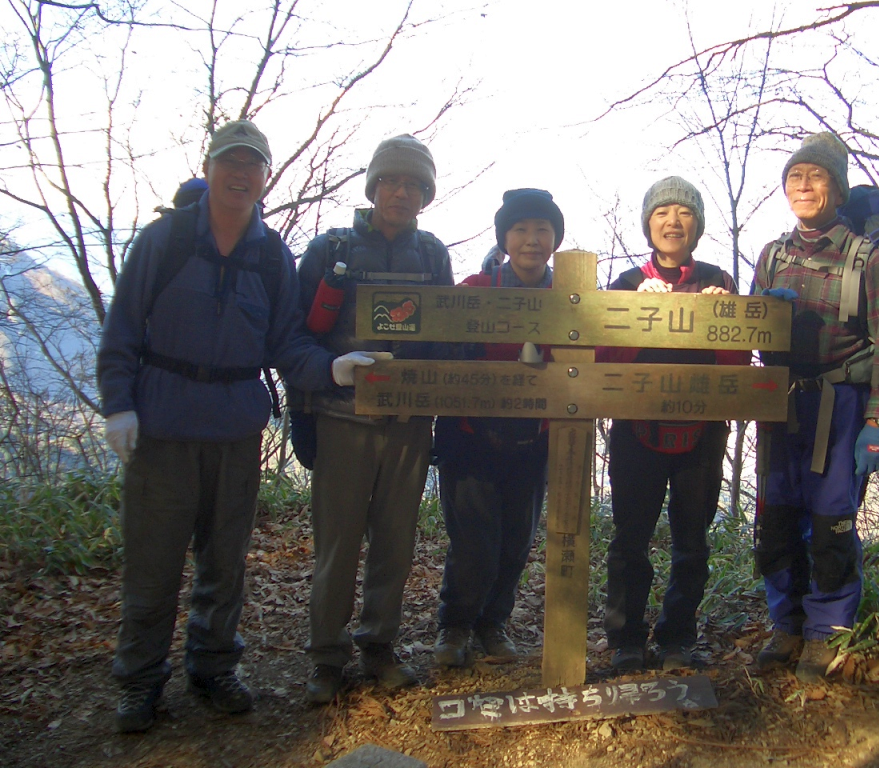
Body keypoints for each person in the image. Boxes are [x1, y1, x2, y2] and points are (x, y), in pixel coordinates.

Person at [97, 119, 386, 733]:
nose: (241, 173)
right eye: (231, 161)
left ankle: (212, 667)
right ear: (209, 169)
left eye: (253, 165)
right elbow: (122, 328)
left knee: (224, 563)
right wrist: (117, 403)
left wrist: (332, 367)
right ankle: (140, 681)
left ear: (263, 178)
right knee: (153, 564)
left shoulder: (269, 254)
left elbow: (287, 341)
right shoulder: (164, 241)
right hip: (164, 426)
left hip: (234, 430)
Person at [291, 134, 454, 704]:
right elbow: (291, 338)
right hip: (342, 421)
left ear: (426, 194)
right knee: (336, 546)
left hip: (409, 425)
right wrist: (330, 368)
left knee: (395, 544)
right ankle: (325, 659)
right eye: (392, 180)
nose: (402, 192)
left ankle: (379, 647)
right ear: (373, 185)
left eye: (414, 184)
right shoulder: (330, 249)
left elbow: (445, 338)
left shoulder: (432, 255)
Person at [752, 133, 879, 681]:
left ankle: (824, 632)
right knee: (775, 520)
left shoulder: (869, 259)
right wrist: (763, 315)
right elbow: (754, 335)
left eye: (816, 177)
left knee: (830, 522)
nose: (804, 186)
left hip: (841, 407)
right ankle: (786, 625)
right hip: (780, 403)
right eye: (796, 178)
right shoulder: (772, 255)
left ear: (837, 190)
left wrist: (878, 420)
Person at [601, 177, 747, 672]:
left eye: (684, 214)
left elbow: (736, 365)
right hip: (635, 432)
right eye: (662, 213)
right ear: (648, 224)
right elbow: (604, 360)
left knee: (693, 541)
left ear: (697, 226)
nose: (673, 222)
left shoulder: (718, 280)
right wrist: (640, 312)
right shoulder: (624, 284)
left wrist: (715, 316)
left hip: (702, 435)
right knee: (630, 538)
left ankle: (677, 638)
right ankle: (625, 640)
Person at [431, 189, 563, 667]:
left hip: (533, 440)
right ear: (505, 238)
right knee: (473, 541)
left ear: (555, 239)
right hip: (471, 438)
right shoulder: (475, 288)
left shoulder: (565, 299)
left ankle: (493, 623)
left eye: (542, 230)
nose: (532, 240)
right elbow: (445, 355)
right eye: (521, 229)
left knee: (515, 541)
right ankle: (455, 626)